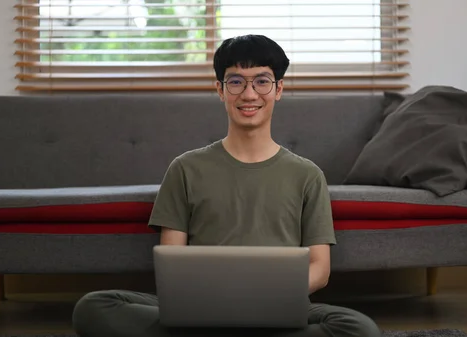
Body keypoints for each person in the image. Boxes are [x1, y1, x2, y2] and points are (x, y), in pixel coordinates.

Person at [72, 34, 381, 337]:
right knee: (95, 306)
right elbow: (173, 261)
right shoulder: (185, 168)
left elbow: (319, 268)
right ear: (220, 90)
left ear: (279, 89)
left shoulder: (308, 174)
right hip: (200, 306)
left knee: (358, 329)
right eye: (236, 82)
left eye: (261, 81)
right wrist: (213, 301)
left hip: (278, 306)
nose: (249, 94)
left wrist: (262, 298)